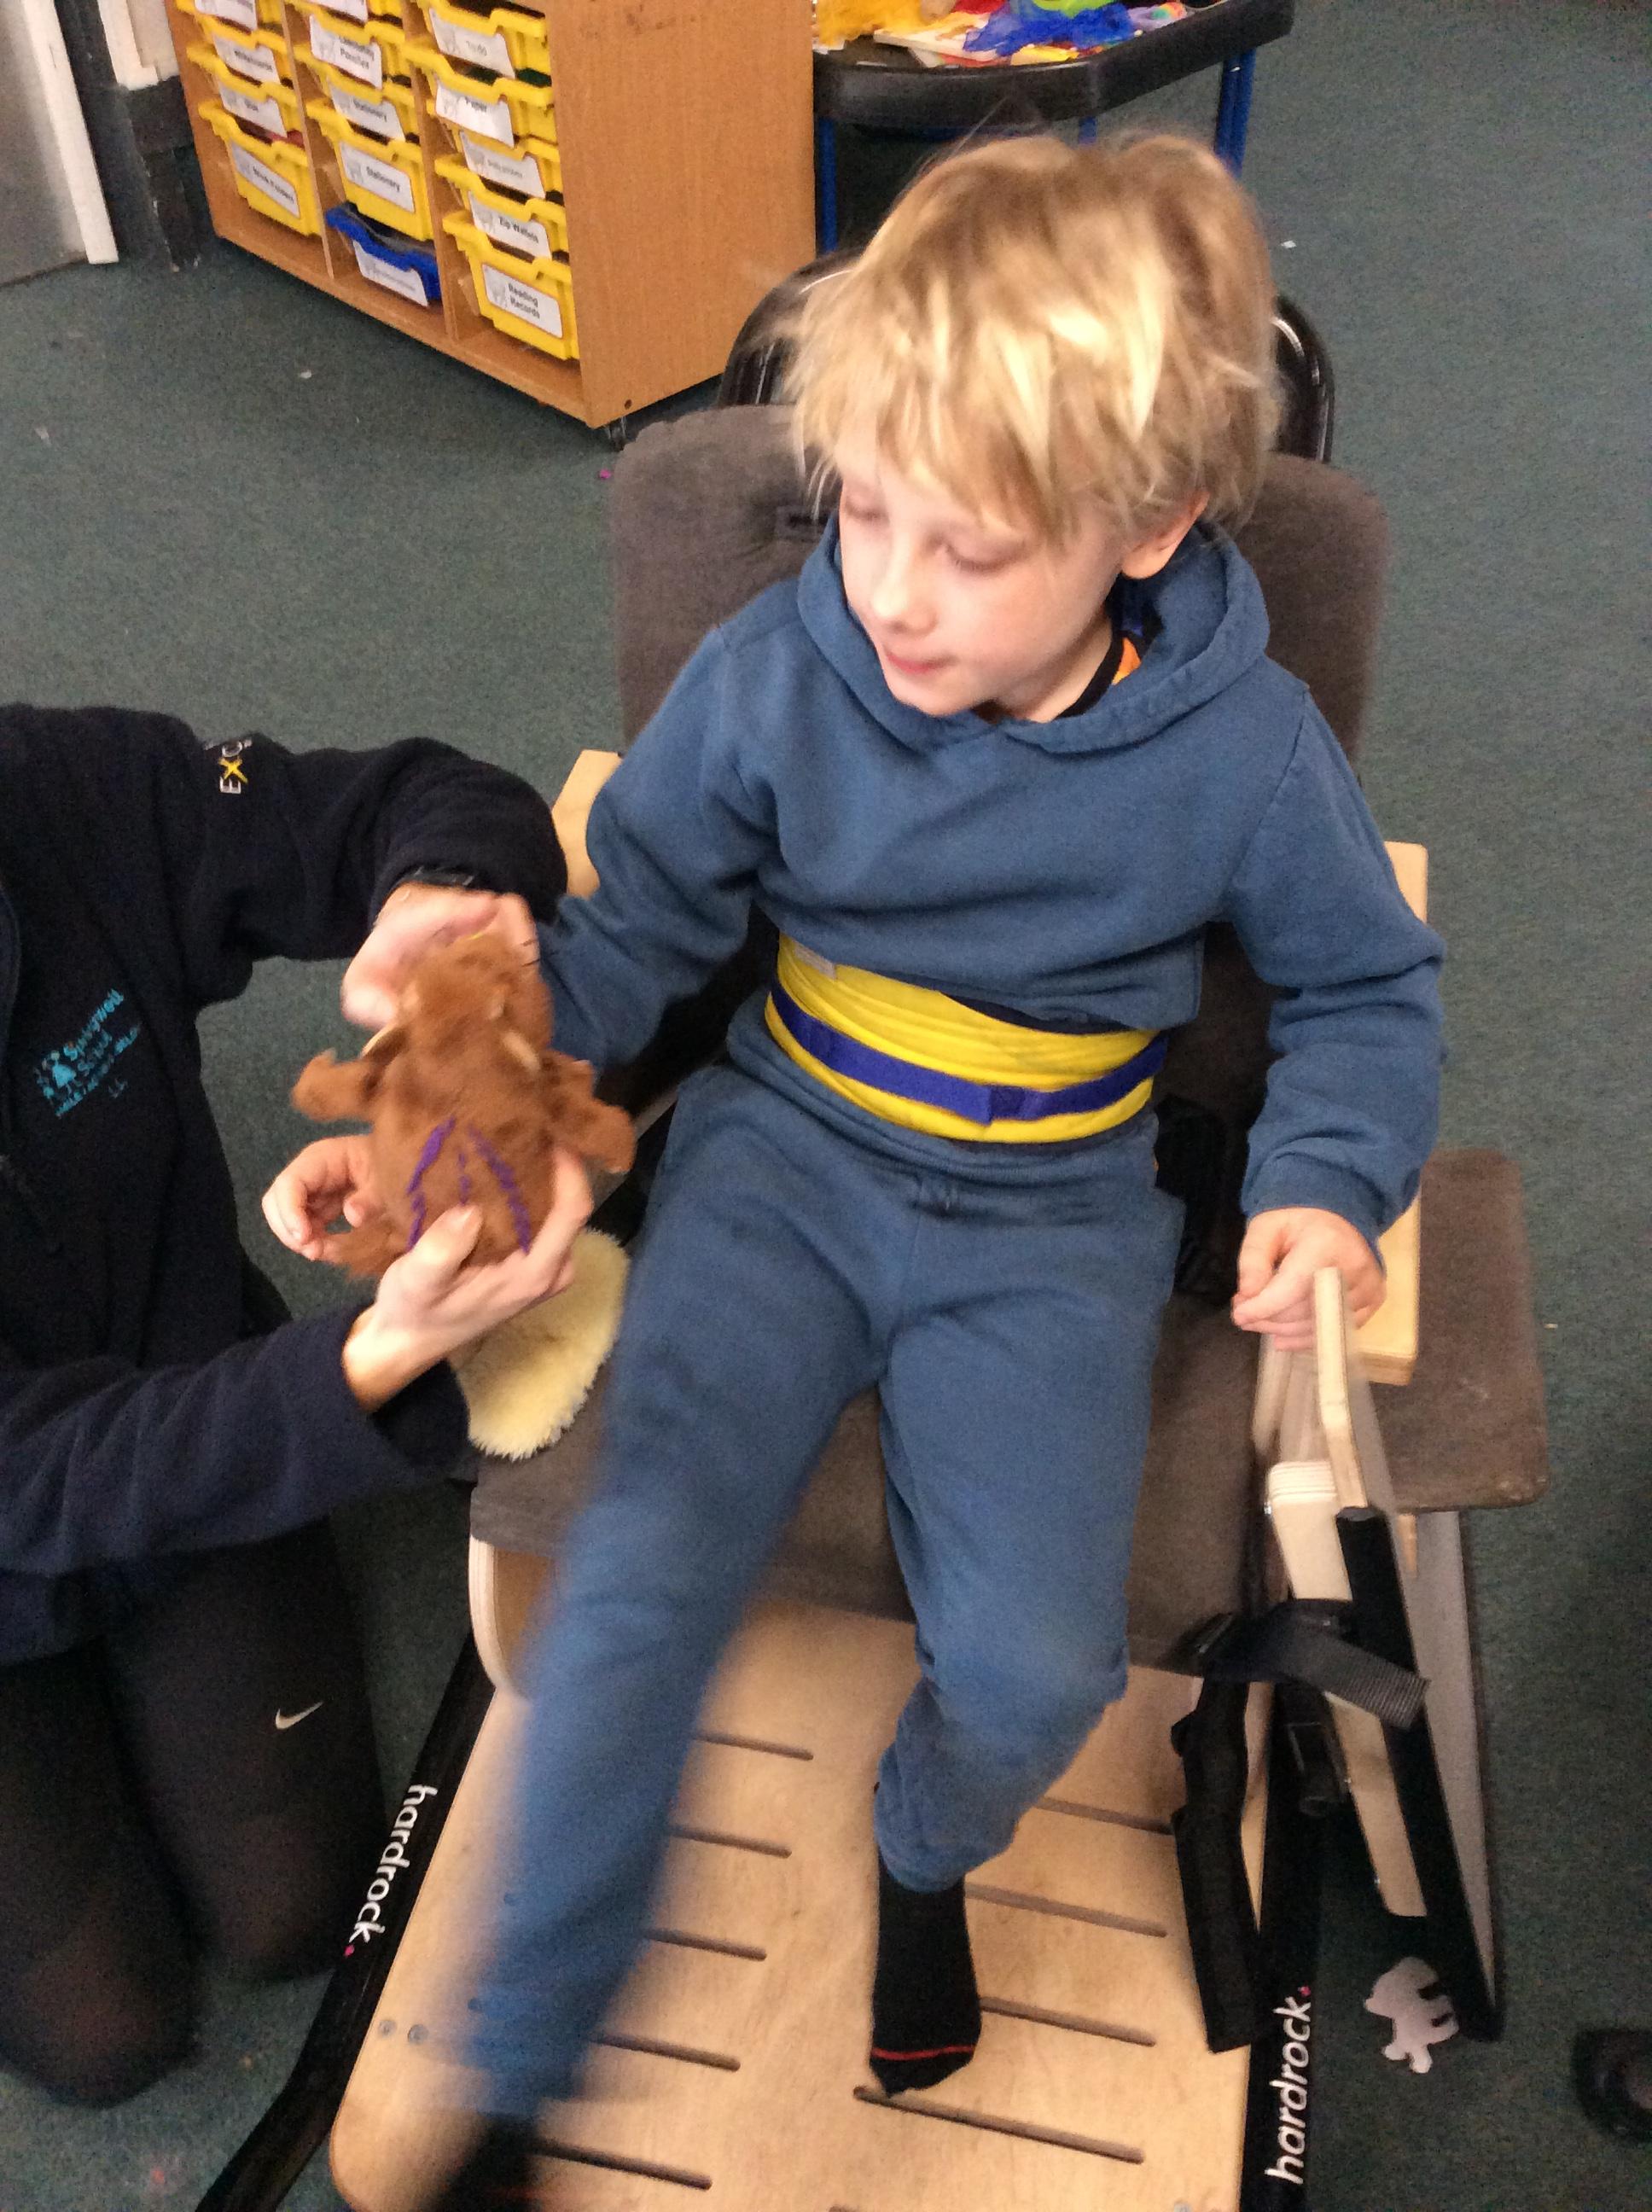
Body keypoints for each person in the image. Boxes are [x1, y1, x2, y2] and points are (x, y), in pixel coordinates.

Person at [416, 133, 1445, 2204]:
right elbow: (639, 928)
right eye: (863, 512)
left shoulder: (1244, 750)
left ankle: (916, 1851)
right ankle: (514, 2081)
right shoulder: (779, 667)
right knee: (635, 1582)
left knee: (1032, 1672)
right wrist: (501, 1060)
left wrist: (1322, 1179)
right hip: (781, 1155)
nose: (888, 590)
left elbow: (1362, 989)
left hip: (1052, 1218)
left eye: (965, 548)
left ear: (1142, 525)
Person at [0, 703, 590, 2107]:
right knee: (106, 2035)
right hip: (47, 1483)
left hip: (181, 1393)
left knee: (295, 1909)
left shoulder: (57, 786)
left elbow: (420, 792)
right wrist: (367, 1366)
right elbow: (32, 1481)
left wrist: (442, 895)